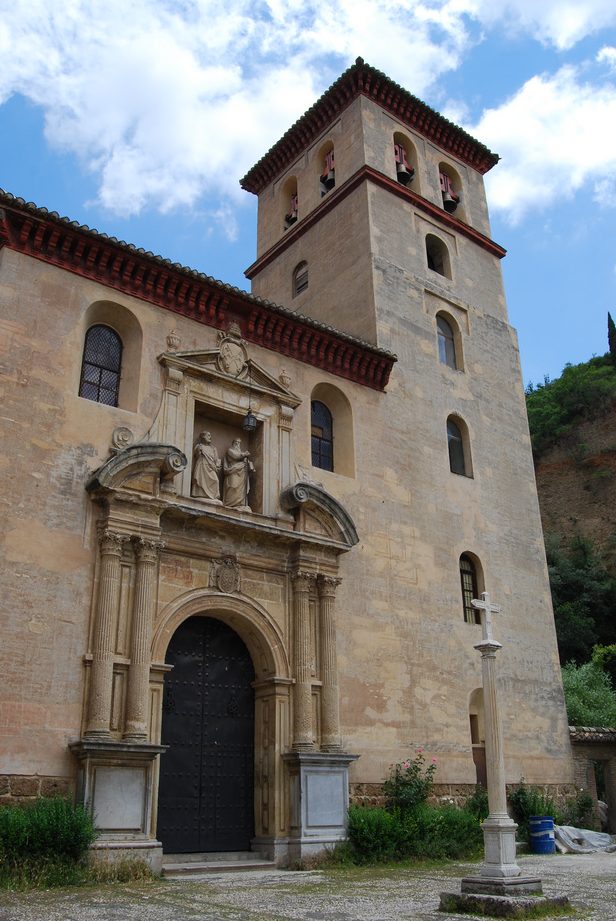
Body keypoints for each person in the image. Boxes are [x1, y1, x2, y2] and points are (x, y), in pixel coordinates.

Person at [223, 438, 254, 509]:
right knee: (233, 486)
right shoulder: (230, 451)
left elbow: (242, 458)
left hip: (242, 473)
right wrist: (244, 454)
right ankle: (229, 504)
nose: (237, 444)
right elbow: (236, 456)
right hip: (233, 471)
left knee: (241, 490)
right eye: (236, 442)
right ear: (233, 443)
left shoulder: (241, 453)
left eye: (239, 443)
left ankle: (240, 504)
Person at [191, 431, 222, 501]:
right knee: (200, 480)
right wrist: (199, 451)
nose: (210, 437)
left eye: (210, 435)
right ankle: (199, 494)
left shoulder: (213, 448)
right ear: (203, 437)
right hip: (202, 465)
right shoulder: (199, 446)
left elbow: (216, 459)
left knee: (216, 480)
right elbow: (196, 455)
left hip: (210, 467)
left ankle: (213, 496)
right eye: (208, 435)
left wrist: (217, 464)